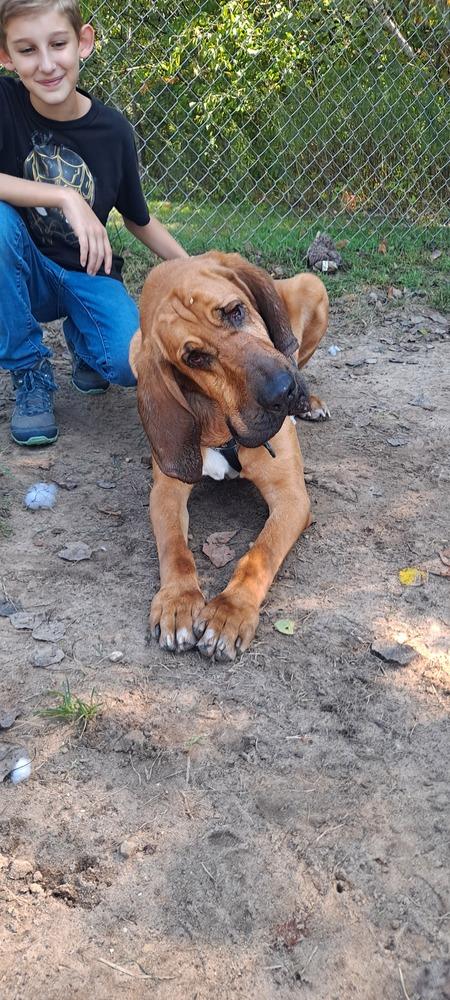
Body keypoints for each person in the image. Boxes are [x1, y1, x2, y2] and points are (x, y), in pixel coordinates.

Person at [0, 0, 188, 446]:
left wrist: (195, 267)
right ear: (6, 57)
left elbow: (139, 220)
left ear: (83, 42)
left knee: (130, 363)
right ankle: (29, 371)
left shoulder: (113, 132)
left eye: (58, 44)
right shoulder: (5, 103)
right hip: (24, 274)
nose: (47, 64)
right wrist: (64, 196)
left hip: (88, 272)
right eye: (26, 50)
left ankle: (85, 340)